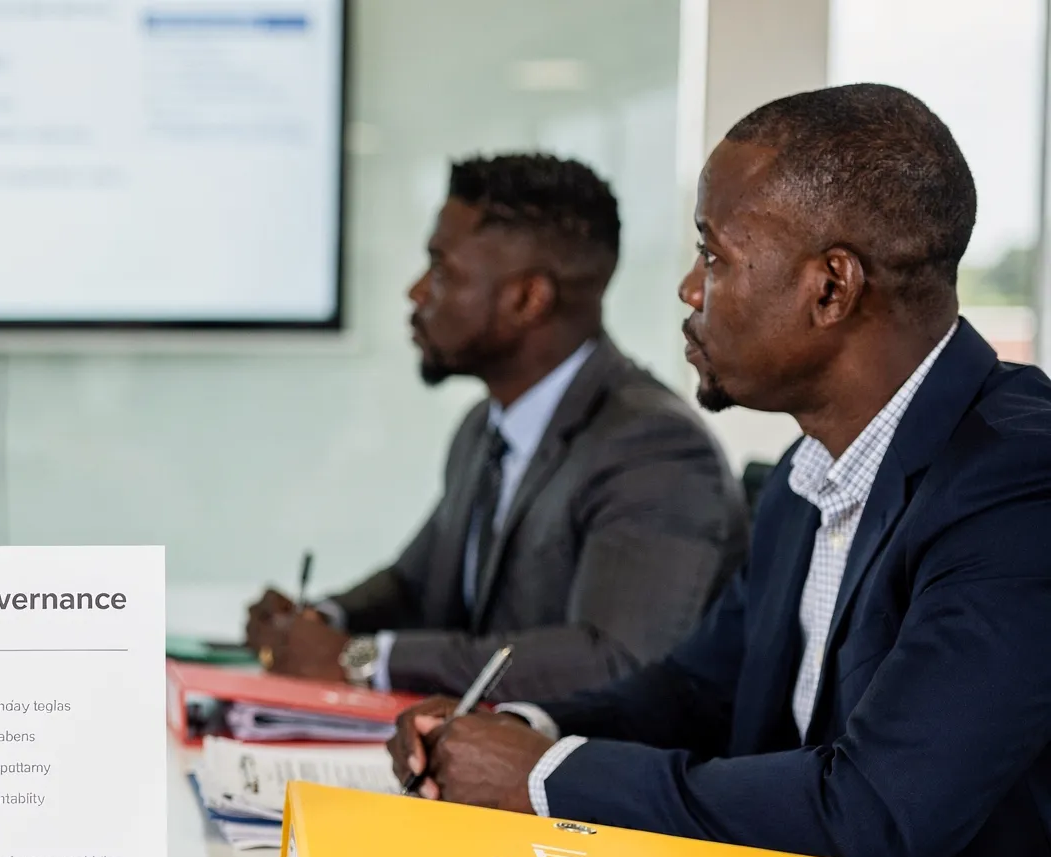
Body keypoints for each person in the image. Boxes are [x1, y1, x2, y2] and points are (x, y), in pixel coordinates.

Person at [391, 84, 1051, 857]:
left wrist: (542, 778)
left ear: (831, 286)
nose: (689, 290)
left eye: (714, 254)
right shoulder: (806, 472)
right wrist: (525, 725)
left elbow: (878, 816)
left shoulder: (1018, 485)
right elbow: (697, 691)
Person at [246, 154, 747, 702]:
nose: (416, 293)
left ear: (527, 299)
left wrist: (360, 660)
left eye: (442, 272)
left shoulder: (653, 449)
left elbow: (612, 659)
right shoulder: (485, 427)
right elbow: (415, 584)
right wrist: (318, 619)